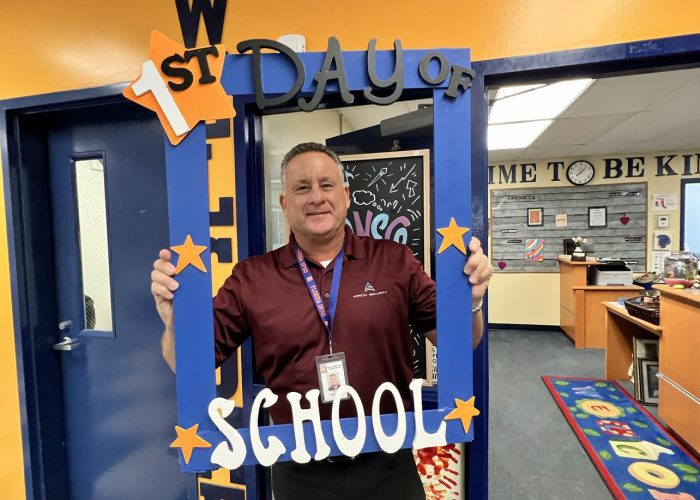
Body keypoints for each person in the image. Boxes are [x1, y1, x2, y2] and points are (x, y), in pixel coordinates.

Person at [152, 142, 492, 500]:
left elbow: (459, 343)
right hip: (298, 467)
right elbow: (188, 365)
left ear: (345, 196)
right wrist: (176, 325)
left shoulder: (395, 261)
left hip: (388, 461)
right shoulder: (252, 278)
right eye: (301, 187)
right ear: (284, 204)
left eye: (326, 185)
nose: (316, 196)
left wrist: (471, 304)